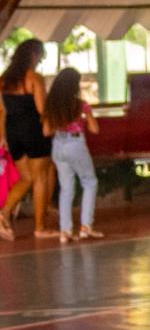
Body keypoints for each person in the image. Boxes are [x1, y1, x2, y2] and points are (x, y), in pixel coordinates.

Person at [0, 38, 54, 240]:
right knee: (40, 178)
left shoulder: (4, 80)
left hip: (13, 133)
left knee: (26, 178)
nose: (40, 60)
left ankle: (4, 213)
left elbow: (3, 111)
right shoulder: (34, 78)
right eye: (41, 56)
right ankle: (40, 228)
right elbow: (42, 109)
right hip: (33, 131)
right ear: (33, 55)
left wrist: (3, 136)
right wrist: (51, 125)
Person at [42, 68, 102, 244]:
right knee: (89, 182)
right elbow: (95, 129)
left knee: (66, 188)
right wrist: (87, 115)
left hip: (58, 146)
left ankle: (65, 231)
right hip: (75, 144)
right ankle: (86, 227)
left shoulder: (51, 106)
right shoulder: (80, 105)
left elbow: (46, 131)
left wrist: (59, 123)